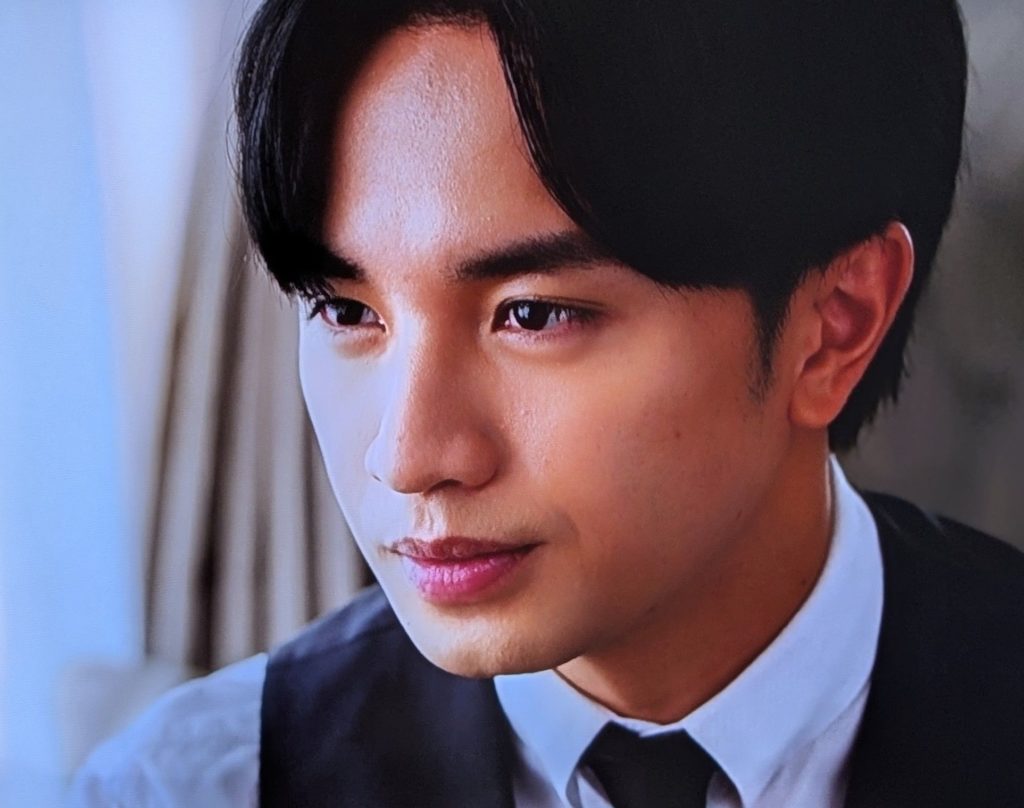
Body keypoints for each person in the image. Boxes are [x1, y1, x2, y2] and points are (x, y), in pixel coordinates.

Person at [70, 1, 1024, 806]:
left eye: (533, 314)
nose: (407, 456)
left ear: (836, 323)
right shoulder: (185, 789)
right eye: (345, 310)